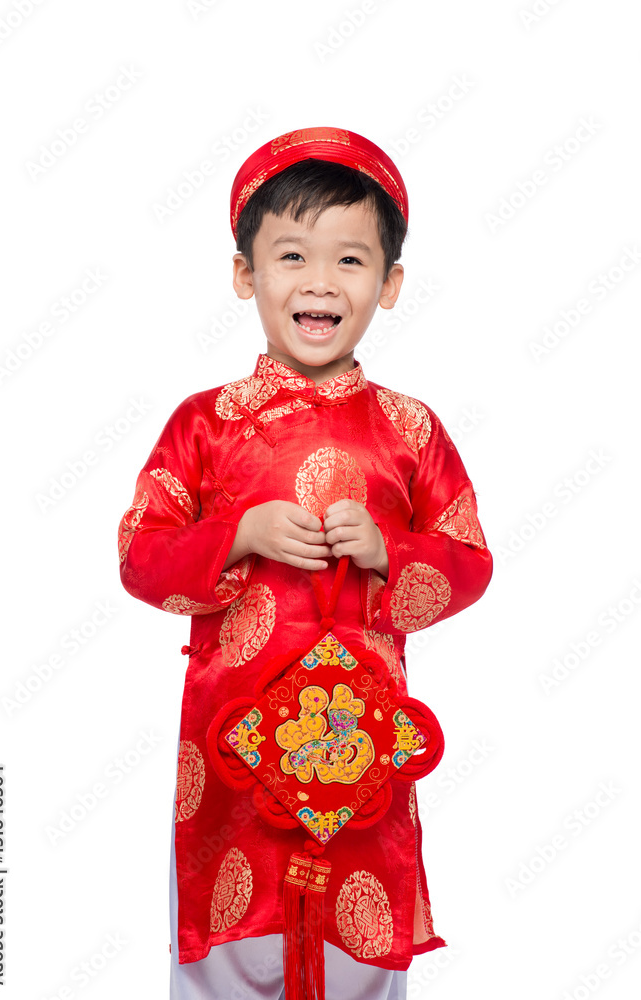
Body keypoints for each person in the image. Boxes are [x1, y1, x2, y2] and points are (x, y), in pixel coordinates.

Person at [118, 126, 494, 1000]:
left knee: (357, 956)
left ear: (389, 284)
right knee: (223, 955)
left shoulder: (410, 430)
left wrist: (390, 553)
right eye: (291, 255)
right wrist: (236, 535)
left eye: (351, 260)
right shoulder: (204, 424)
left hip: (361, 745)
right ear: (246, 273)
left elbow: (469, 561)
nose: (319, 281)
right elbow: (140, 557)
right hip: (229, 750)